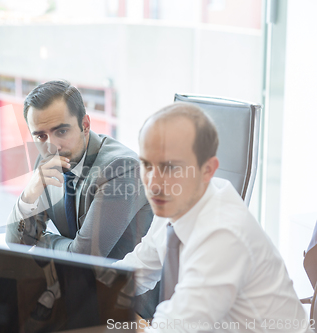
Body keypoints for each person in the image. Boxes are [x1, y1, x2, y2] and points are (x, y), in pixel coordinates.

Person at [114, 103, 311, 332]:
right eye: (147, 165)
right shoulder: (178, 202)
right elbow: (137, 269)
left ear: (207, 170)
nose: (153, 183)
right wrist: (82, 291)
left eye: (170, 167)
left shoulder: (224, 234)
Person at [5, 80, 154, 322]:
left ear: (85, 125)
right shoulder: (47, 162)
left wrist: (42, 242)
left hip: (129, 306)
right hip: (77, 292)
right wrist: (29, 195)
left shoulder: (121, 169)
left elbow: (83, 260)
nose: (52, 145)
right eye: (40, 135)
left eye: (61, 131)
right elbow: (14, 242)